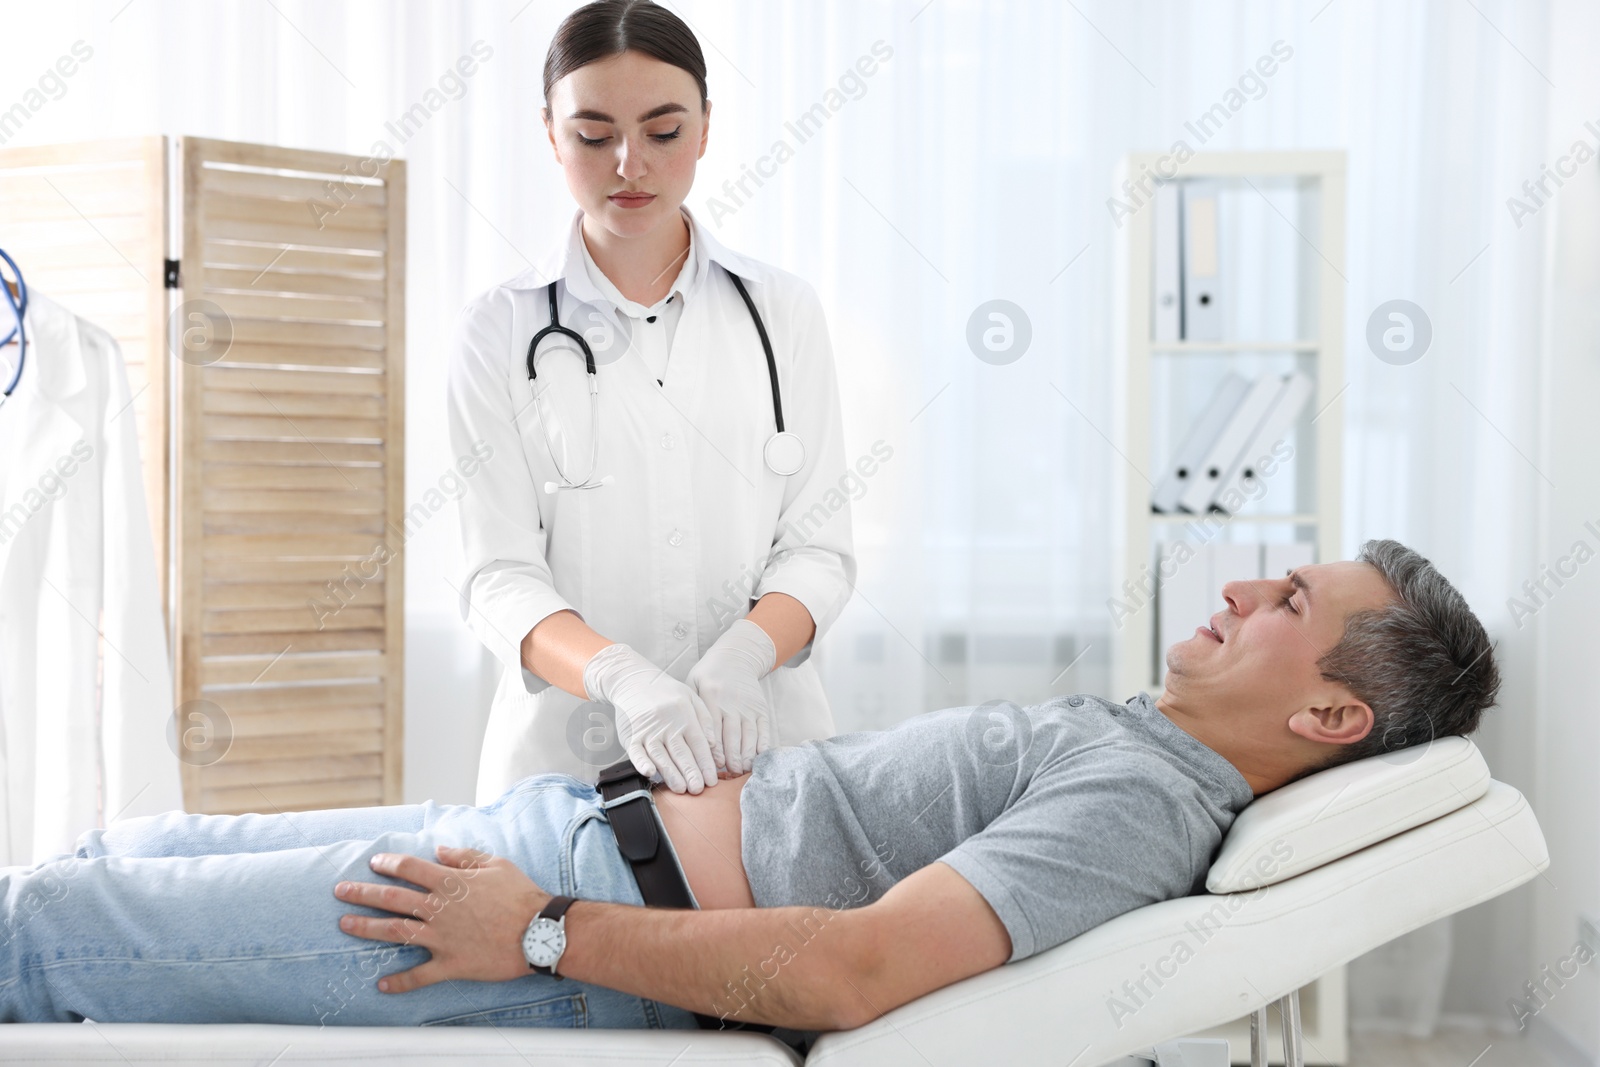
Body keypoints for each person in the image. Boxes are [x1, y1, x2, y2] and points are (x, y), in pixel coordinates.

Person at [0, 542, 1500, 1045]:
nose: (1241, 583)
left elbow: (853, 970)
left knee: (70, 927)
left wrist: (533, 930)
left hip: (550, 916)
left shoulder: (1143, 796)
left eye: (1287, 593)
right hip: (559, 846)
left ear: (1326, 709)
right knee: (125, 853)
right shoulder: (1139, 738)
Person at [449, 0, 854, 802]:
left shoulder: (782, 312)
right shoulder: (498, 329)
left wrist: (744, 653)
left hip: (764, 758)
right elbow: (497, 575)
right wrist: (616, 673)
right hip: (569, 766)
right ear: (550, 133)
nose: (629, 164)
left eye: (663, 133)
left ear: (705, 129)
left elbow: (819, 549)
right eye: (593, 136)